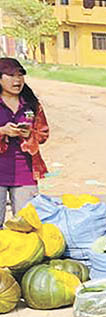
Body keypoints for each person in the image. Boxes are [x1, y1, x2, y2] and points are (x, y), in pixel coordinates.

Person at [0, 58, 48, 221]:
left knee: (26, 223)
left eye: (20, 75)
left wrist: (29, 134)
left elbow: (43, 134)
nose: (17, 80)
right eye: (11, 75)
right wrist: (2, 131)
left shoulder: (32, 105)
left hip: (25, 172)